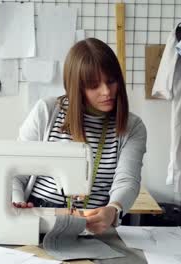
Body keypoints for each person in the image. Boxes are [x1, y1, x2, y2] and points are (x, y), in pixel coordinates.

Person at [13, 38, 147, 234]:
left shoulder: (132, 127)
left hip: (93, 222)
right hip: (37, 217)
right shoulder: (47, 112)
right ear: (76, 87)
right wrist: (17, 203)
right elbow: (16, 172)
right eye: (94, 85)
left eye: (111, 81)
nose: (106, 91)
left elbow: (127, 180)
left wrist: (113, 209)